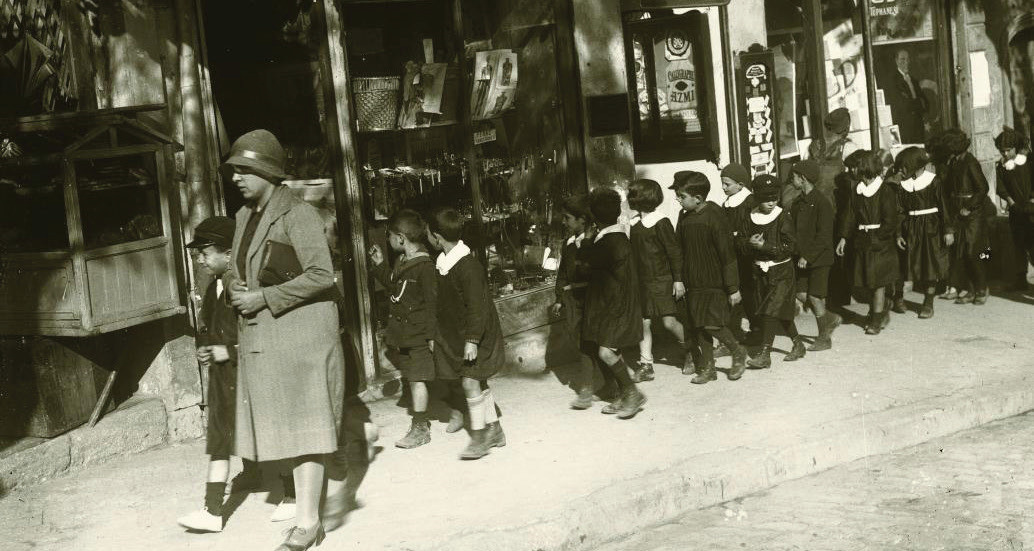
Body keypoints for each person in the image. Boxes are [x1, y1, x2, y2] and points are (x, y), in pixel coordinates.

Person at [223, 129, 345, 551]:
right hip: (269, 335)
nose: (237, 177)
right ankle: (306, 514)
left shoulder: (299, 215)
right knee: (293, 429)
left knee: (306, 429)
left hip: (303, 337)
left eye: (245, 170)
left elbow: (321, 275)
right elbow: (242, 265)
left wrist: (263, 297)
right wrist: (235, 286)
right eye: (234, 170)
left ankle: (309, 525)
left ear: (267, 172)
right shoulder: (243, 216)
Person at [176, 216, 261, 533]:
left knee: (264, 433)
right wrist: (209, 349)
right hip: (223, 381)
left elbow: (262, 336)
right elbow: (212, 329)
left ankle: (293, 494)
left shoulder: (246, 288)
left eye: (205, 252)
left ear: (229, 253)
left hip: (248, 377)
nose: (200, 259)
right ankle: (212, 510)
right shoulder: (214, 288)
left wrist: (232, 351)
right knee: (220, 441)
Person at [426, 207, 507, 459]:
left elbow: (477, 306)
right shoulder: (444, 263)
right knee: (477, 381)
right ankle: (495, 429)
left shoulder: (468, 266)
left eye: (429, 234)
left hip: (478, 333)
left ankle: (479, 437)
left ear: (437, 237)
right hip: (460, 334)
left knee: (469, 381)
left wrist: (472, 340)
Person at [368, 209, 438, 449]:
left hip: (418, 333)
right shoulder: (402, 262)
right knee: (414, 378)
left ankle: (421, 427)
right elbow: (396, 287)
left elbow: (432, 304)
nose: (388, 240)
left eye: (389, 236)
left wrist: (431, 336)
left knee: (418, 380)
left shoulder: (425, 267)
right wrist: (378, 266)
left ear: (400, 238)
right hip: (406, 334)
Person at [672, 171, 747, 383]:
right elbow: (679, 248)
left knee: (711, 323)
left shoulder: (714, 216)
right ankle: (708, 368)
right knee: (698, 324)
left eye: (681, 196)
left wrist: (733, 287)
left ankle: (737, 350)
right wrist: (678, 278)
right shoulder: (683, 216)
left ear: (698, 198)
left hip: (714, 281)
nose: (678, 200)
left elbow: (727, 254)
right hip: (692, 281)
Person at [582, 187, 646, 419]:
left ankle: (632, 393)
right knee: (608, 350)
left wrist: (587, 241)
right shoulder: (617, 238)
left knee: (607, 352)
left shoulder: (608, 242)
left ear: (594, 218)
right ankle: (623, 392)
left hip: (617, 306)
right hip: (615, 303)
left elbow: (585, 265)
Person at [550, 194, 620, 409]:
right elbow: (563, 272)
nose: (564, 222)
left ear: (582, 219)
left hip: (595, 302)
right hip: (577, 303)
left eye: (567, 218)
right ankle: (588, 388)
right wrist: (561, 297)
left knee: (600, 346)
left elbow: (596, 274)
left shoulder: (596, 242)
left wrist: (579, 287)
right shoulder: (568, 244)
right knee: (584, 345)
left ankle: (614, 387)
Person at [740, 175, 804, 367]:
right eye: (766, 198)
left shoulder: (783, 216)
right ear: (758, 198)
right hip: (760, 272)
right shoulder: (750, 216)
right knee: (778, 312)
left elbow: (790, 246)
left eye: (774, 197)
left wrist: (764, 247)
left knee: (770, 311)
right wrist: (749, 243)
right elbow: (740, 241)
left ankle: (765, 355)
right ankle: (798, 344)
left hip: (782, 271)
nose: (771, 202)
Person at [836, 151, 901, 334]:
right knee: (865, 282)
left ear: (866, 169)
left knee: (877, 282)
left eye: (856, 168)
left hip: (880, 243)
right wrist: (843, 238)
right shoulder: (856, 191)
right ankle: (878, 310)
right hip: (862, 242)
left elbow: (891, 219)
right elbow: (849, 216)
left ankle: (876, 319)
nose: (852, 171)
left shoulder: (885, 191)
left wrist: (878, 235)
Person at [627, 178, 685, 382]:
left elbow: (674, 253)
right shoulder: (634, 224)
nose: (628, 198)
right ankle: (646, 365)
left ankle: (691, 351)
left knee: (669, 322)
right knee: (644, 323)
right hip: (643, 283)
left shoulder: (661, 222)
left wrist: (678, 280)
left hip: (662, 280)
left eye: (631, 194)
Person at [894, 146, 954, 319]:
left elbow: (944, 207)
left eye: (904, 167)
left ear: (915, 165)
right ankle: (898, 298)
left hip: (931, 229)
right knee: (908, 264)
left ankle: (928, 302)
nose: (901, 171)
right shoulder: (903, 186)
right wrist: (898, 233)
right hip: (911, 229)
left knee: (930, 265)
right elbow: (899, 211)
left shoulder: (934, 182)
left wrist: (948, 230)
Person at [789, 159, 841, 351]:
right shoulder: (797, 202)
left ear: (802, 179)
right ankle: (830, 318)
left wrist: (807, 257)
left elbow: (824, 236)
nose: (791, 180)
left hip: (819, 258)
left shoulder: (821, 202)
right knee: (802, 294)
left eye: (793, 176)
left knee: (816, 297)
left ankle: (824, 338)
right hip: (803, 258)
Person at [942, 129, 994, 305]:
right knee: (962, 252)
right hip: (958, 212)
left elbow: (983, 188)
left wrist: (969, 207)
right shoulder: (954, 162)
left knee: (974, 252)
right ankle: (971, 290)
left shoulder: (970, 162)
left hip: (973, 215)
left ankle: (981, 288)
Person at [719, 163, 759, 341]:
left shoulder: (750, 202)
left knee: (749, 292)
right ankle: (735, 331)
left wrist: (736, 236)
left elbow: (752, 228)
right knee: (733, 292)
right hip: (732, 254)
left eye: (727, 184)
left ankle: (757, 330)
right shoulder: (726, 204)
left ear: (741, 185)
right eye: (723, 183)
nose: (723, 187)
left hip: (747, 255)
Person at [994, 127, 1034, 291]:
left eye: (1008, 150)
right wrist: (1011, 203)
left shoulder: (1029, 162)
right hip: (1016, 210)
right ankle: (1020, 279)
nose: (1005, 154)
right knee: (1018, 244)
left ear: (1015, 148)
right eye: (1002, 151)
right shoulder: (1002, 167)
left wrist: (1032, 200)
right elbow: (1001, 188)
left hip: (1032, 209)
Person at [886, 49, 928, 144]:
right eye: (902, 59)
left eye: (907, 59)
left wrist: (917, 105)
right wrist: (916, 104)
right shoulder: (892, 80)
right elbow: (900, 104)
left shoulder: (913, 80)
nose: (906, 62)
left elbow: (924, 102)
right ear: (896, 61)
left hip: (917, 127)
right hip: (901, 127)